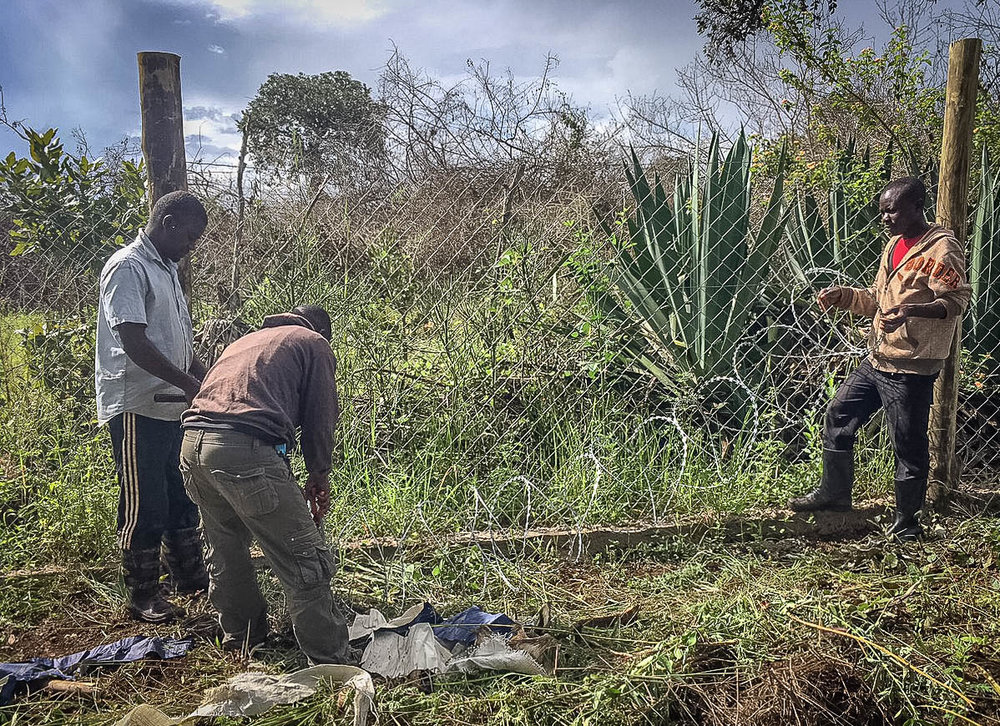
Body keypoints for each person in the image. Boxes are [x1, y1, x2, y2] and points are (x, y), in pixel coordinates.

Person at [788, 177, 972, 540]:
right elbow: (877, 297)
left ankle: (907, 525)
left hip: (911, 366)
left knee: (907, 443)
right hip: (879, 358)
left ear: (917, 206)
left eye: (892, 210)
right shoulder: (893, 245)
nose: (885, 218)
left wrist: (911, 311)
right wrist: (845, 296)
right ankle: (835, 495)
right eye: (882, 212)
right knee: (839, 415)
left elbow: (956, 302)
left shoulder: (941, 249)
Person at [179, 306, 353, 664]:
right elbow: (321, 417)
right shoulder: (313, 342)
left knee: (226, 549)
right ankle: (331, 659)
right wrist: (319, 475)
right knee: (305, 557)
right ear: (322, 330)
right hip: (242, 451)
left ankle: (243, 641)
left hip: (193, 447)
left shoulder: (245, 342)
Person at [96, 190, 211, 622]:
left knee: (182, 495)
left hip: (172, 405)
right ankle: (143, 594)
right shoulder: (128, 267)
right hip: (139, 404)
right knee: (145, 502)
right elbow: (133, 341)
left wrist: (206, 380)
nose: (191, 247)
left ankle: (190, 580)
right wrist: (187, 383)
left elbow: (181, 344)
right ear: (167, 224)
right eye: (190, 236)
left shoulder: (166, 271)